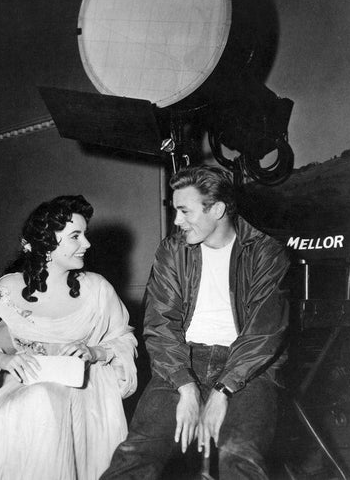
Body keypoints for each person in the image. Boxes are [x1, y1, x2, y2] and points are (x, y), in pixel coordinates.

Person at [101, 165, 290, 479]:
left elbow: (264, 333)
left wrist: (222, 390)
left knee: (238, 453)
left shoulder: (265, 253)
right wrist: (185, 387)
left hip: (249, 369)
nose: (177, 221)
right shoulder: (172, 251)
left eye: (185, 211)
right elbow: (160, 324)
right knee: (137, 453)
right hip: (182, 361)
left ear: (217, 210)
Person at [0, 195, 137, 480]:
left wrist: (94, 352)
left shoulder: (98, 289)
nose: (87, 244)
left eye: (84, 234)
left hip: (84, 394)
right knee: (34, 403)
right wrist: (1, 359)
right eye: (76, 236)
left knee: (43, 402)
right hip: (26, 388)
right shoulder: (5, 289)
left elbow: (123, 339)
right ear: (45, 244)